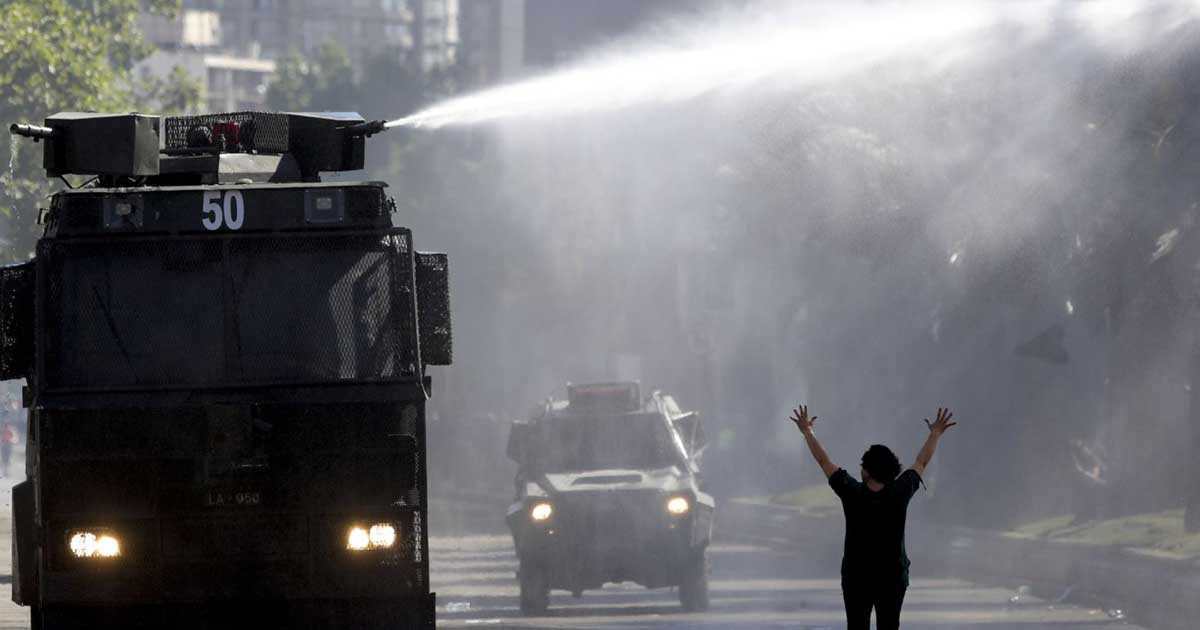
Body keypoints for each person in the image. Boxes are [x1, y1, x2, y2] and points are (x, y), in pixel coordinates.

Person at [790, 404, 957, 630]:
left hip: (857, 578)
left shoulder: (852, 492)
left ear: (867, 471)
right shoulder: (900, 492)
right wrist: (935, 434)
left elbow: (823, 461)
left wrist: (807, 431)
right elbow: (922, 462)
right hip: (892, 578)